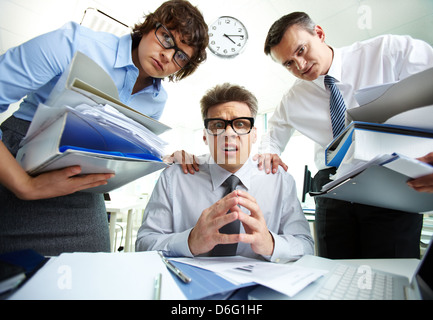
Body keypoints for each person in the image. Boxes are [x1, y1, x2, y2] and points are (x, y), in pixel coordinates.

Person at [0, 0, 208, 256]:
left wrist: (160, 159)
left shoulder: (157, 101)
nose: (167, 55)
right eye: (166, 37)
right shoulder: (75, 43)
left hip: (79, 186)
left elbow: (121, 151)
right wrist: (24, 185)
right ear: (148, 26)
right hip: (14, 163)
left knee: (92, 272)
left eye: (180, 56)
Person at [257, 12, 433, 259]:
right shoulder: (293, 99)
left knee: (392, 269)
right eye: (288, 63)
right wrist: (269, 153)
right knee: (335, 271)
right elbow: (272, 137)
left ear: (319, 34)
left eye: (301, 50)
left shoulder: (388, 51)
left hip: (389, 180)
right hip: (333, 189)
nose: (300, 65)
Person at [135, 83, 314, 261]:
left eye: (241, 124)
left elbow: (306, 246)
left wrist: (272, 244)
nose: (229, 133)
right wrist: (189, 242)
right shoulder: (175, 177)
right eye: (218, 124)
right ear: (205, 136)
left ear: (254, 135)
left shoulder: (279, 180)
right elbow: (144, 244)